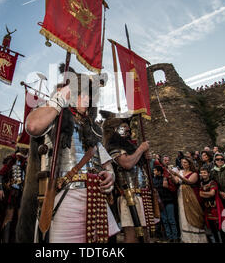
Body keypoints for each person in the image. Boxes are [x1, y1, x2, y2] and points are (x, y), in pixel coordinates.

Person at [17, 64, 118, 243]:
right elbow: (33, 126)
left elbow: (106, 163)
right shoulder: (55, 116)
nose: (86, 98)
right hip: (64, 197)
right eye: (81, 93)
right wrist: (60, 98)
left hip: (96, 198)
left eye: (90, 95)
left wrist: (110, 175)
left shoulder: (93, 128)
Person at [101, 112, 154, 243]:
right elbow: (127, 163)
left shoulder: (128, 147)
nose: (128, 129)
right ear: (115, 129)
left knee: (145, 235)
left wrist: (145, 157)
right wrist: (141, 149)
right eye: (124, 126)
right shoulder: (114, 148)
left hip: (140, 195)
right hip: (127, 196)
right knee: (132, 236)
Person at [0, 149, 28, 243]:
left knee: (18, 219)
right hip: (11, 195)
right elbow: (1, 175)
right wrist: (0, 189)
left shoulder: (26, 163)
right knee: (8, 217)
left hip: (21, 195)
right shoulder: (12, 160)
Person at [168, 157, 207, 243]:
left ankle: (197, 238)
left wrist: (178, 175)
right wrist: (171, 176)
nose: (183, 164)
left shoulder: (194, 173)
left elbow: (190, 181)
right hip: (181, 195)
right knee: (183, 213)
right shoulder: (181, 172)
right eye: (182, 162)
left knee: (193, 213)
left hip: (191, 195)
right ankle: (187, 238)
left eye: (185, 162)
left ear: (189, 163)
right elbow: (177, 182)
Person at [199, 166, 225, 243]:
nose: (203, 174)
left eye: (205, 173)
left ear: (208, 174)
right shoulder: (201, 183)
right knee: (213, 228)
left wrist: (204, 193)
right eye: (202, 173)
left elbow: (212, 193)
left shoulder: (213, 182)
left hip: (215, 207)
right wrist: (206, 193)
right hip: (207, 208)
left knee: (220, 227)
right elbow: (200, 194)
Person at [153, 165, 178, 242]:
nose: (154, 172)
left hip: (168, 200)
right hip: (160, 202)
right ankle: (169, 237)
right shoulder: (153, 180)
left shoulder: (166, 178)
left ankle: (175, 237)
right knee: (165, 220)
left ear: (159, 172)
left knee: (171, 219)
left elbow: (172, 188)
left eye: (155, 170)